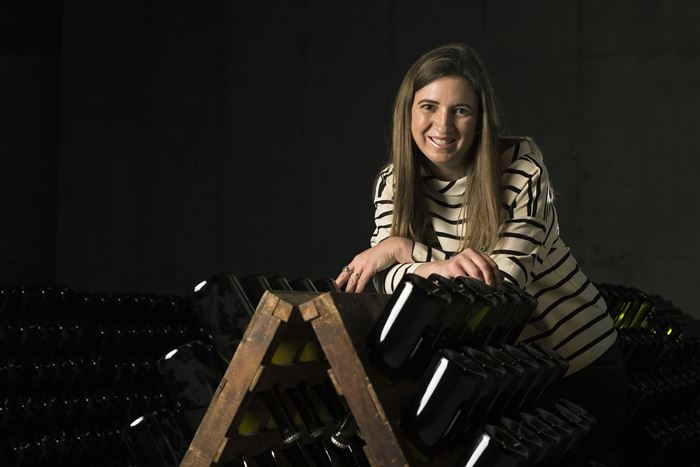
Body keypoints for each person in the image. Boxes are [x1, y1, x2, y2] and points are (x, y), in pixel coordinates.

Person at [334, 43, 628, 465]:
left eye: (461, 111)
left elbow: (502, 291)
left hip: (578, 367)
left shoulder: (521, 166)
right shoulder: (393, 183)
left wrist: (404, 250)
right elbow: (382, 282)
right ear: (408, 113)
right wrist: (426, 263)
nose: (443, 125)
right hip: (501, 376)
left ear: (480, 119)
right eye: (429, 106)